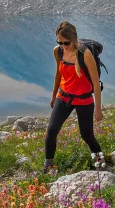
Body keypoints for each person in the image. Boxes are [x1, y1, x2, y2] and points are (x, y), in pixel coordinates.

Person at [42, 21, 103, 173]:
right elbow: (58, 74)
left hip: (83, 99)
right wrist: (53, 95)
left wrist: (98, 109)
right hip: (63, 97)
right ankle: (48, 165)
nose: (63, 45)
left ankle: (100, 161)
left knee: (86, 134)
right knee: (51, 131)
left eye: (66, 42)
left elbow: (96, 84)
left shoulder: (85, 54)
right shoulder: (58, 51)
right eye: (59, 42)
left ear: (74, 38)